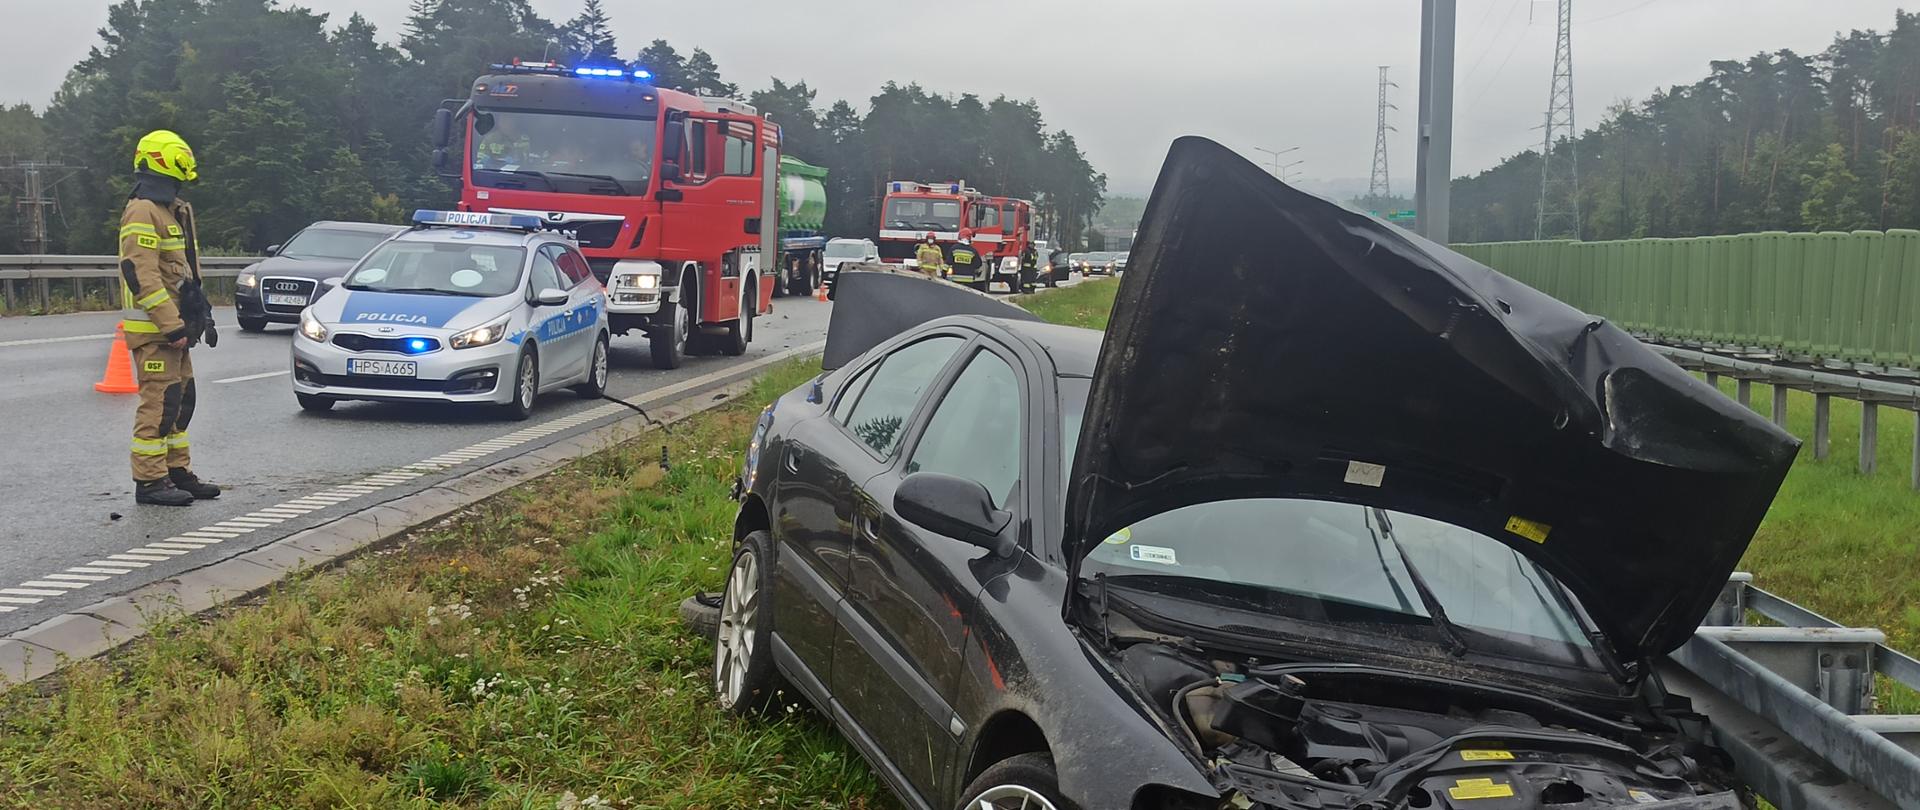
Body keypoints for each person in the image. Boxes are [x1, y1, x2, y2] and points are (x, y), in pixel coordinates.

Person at [119, 129, 220, 506]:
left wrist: (198, 314)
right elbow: (140, 274)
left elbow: (182, 270)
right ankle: (149, 481)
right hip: (157, 331)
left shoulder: (169, 209)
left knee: (181, 400)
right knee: (159, 403)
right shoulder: (143, 210)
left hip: (177, 328)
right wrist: (170, 324)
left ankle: (176, 471)